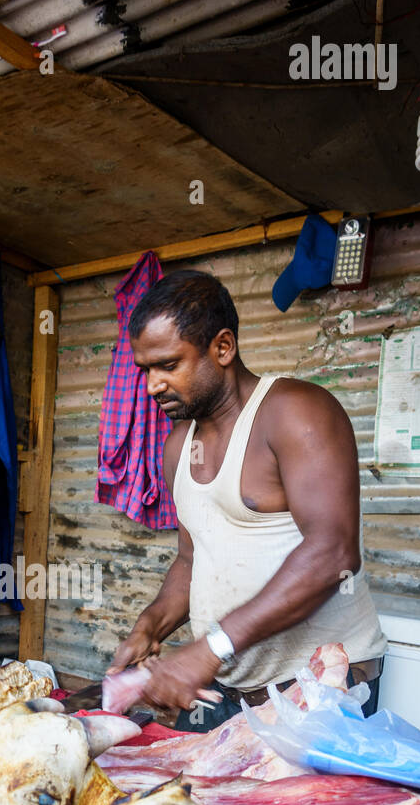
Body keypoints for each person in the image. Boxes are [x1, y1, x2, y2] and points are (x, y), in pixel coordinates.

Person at [107, 270, 386, 728]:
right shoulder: (179, 445)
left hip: (320, 683)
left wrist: (209, 648)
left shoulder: (297, 412)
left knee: (297, 803)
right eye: (146, 369)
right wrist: (149, 627)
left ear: (222, 348)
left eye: (169, 364)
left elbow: (333, 553)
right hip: (224, 685)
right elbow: (190, 559)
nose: (153, 384)